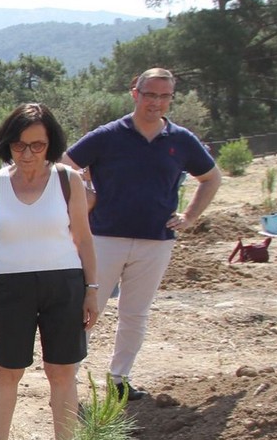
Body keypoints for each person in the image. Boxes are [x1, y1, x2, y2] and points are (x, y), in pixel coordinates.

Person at [63, 68, 219, 401]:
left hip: (155, 241)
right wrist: (85, 192)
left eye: (164, 96)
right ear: (135, 93)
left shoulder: (181, 140)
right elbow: (64, 166)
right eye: (150, 94)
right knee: (87, 310)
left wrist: (189, 216)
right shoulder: (108, 135)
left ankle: (119, 380)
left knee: (135, 313)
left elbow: (211, 178)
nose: (157, 102)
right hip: (103, 239)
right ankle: (67, 381)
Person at [0, 104, 100, 440]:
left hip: (64, 283)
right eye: (19, 145)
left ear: (51, 145)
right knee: (7, 371)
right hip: (11, 286)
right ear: (7, 144)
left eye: (37, 146)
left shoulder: (67, 180)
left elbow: (84, 238)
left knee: (61, 372)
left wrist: (92, 288)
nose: (27, 154)